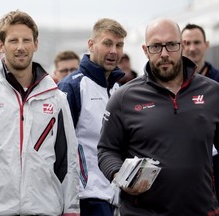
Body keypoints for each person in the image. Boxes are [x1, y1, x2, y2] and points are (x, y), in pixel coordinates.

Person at [0, 10, 80, 216]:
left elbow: (68, 162)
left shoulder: (56, 99)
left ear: (36, 43)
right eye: (13, 40)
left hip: (44, 210)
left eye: (26, 40)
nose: (20, 47)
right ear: (1, 45)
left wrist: (71, 209)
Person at [97, 18, 219, 216]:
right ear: (145, 50)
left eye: (171, 45)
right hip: (142, 212)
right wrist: (121, 176)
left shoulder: (212, 92)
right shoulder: (123, 98)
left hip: (201, 210)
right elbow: (106, 150)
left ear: (182, 46)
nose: (164, 54)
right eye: (155, 46)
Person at [58, 18, 127, 216]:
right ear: (91, 45)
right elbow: (56, 147)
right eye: (107, 43)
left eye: (119, 45)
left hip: (116, 196)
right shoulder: (71, 86)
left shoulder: (118, 89)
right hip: (85, 197)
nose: (113, 50)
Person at [182, 23, 219, 202]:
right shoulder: (170, 85)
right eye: (187, 43)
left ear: (206, 44)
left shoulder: (217, 84)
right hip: (182, 172)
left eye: (197, 42)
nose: (192, 48)